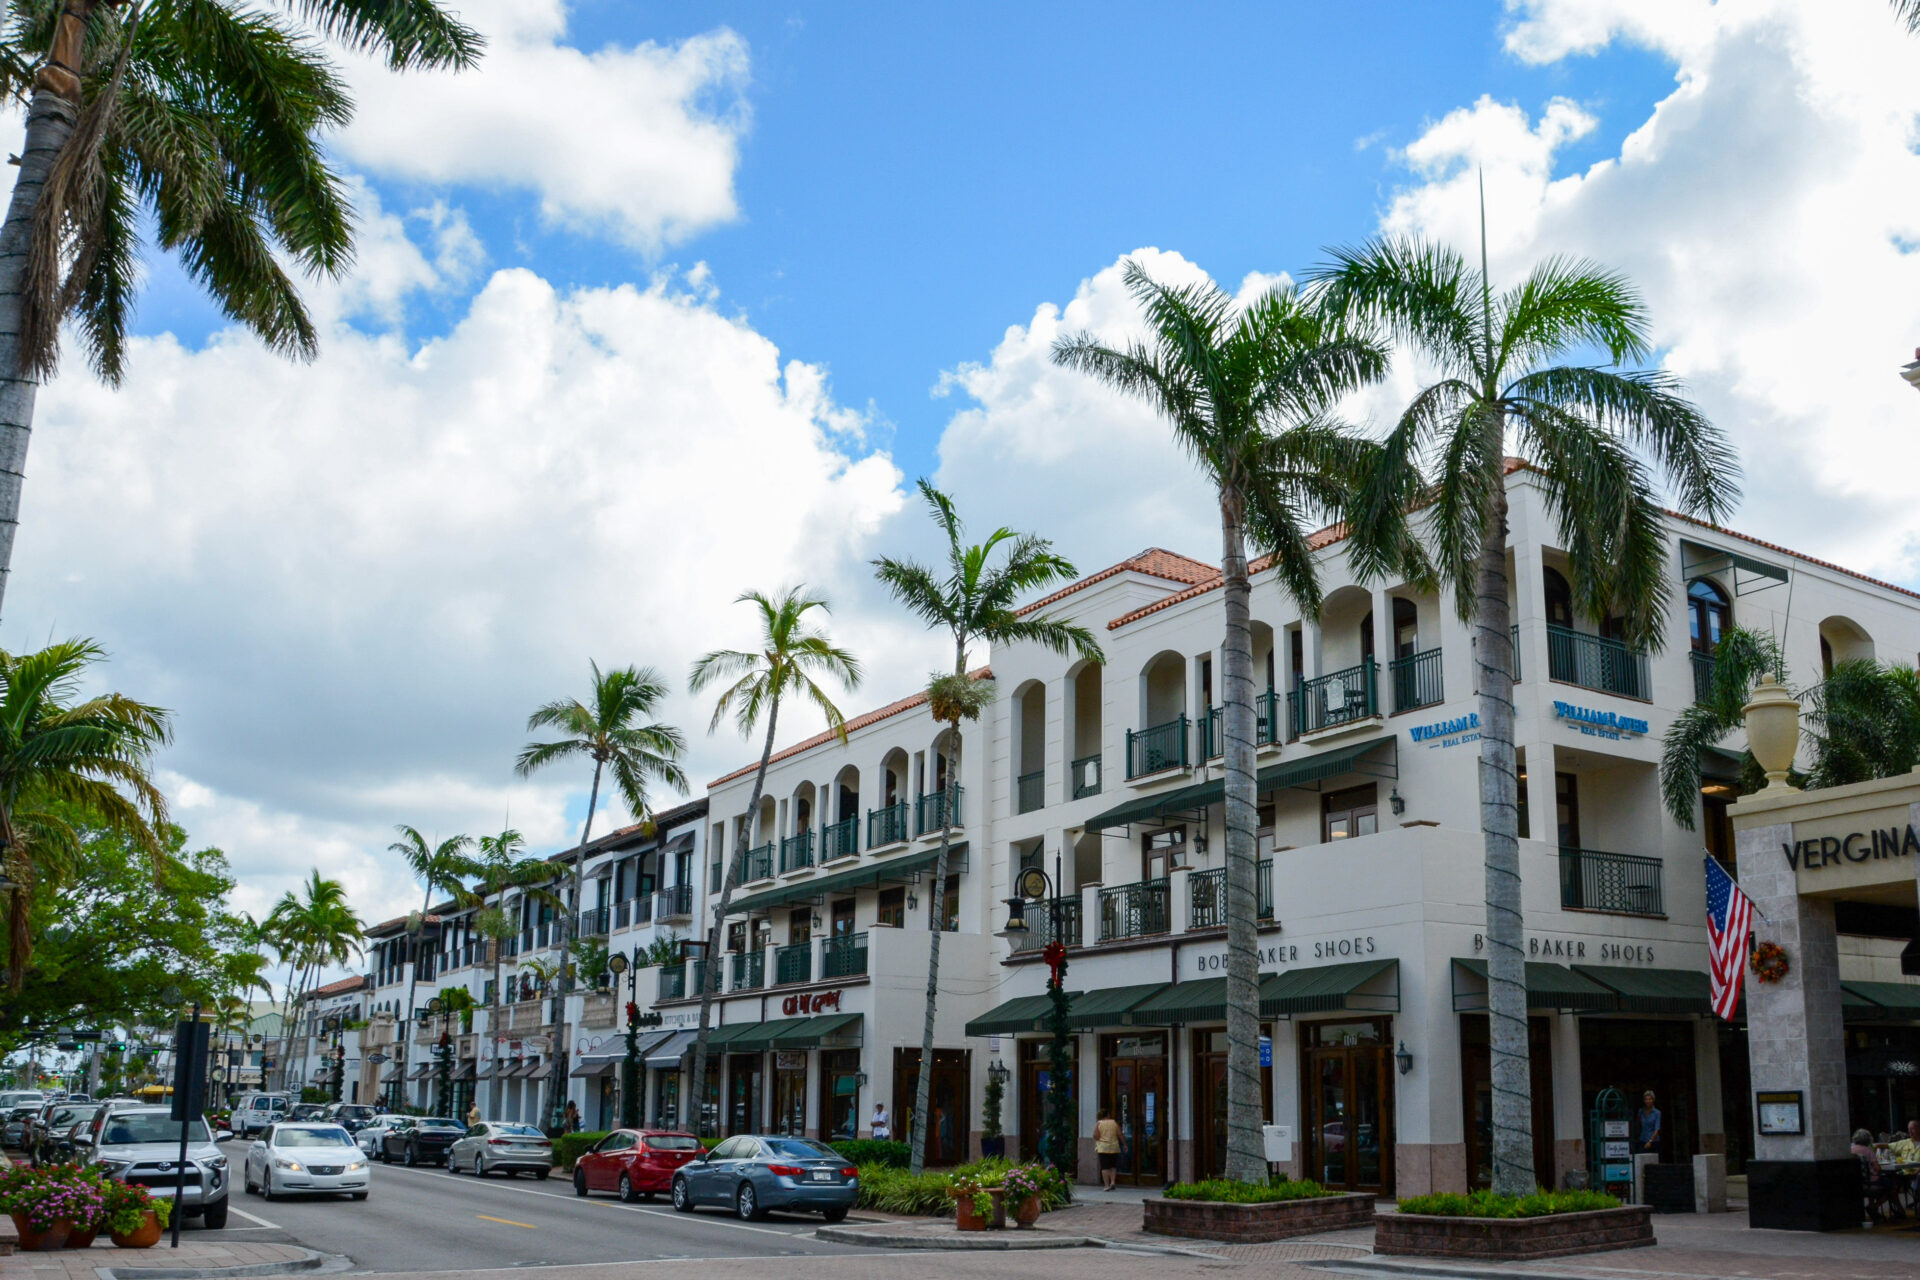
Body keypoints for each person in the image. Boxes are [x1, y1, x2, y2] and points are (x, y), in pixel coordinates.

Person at [1094, 1108, 1122, 1192]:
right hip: (1114, 1147)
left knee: (1105, 1167)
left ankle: (1106, 1185)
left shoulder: (1099, 1123)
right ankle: (1113, 1182)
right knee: (1113, 1166)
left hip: (1103, 1147)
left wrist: (1099, 1139)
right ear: (1108, 1115)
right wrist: (1124, 1144)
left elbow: (1095, 1135)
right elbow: (1119, 1134)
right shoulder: (1114, 1123)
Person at [1636, 1091, 1662, 1158]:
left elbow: (1657, 1128)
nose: (1648, 1101)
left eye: (1650, 1099)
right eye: (1646, 1099)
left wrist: (1650, 1141)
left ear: (1653, 1100)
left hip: (1653, 1141)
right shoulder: (1641, 1111)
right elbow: (1638, 1125)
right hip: (1642, 1139)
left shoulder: (1657, 1113)